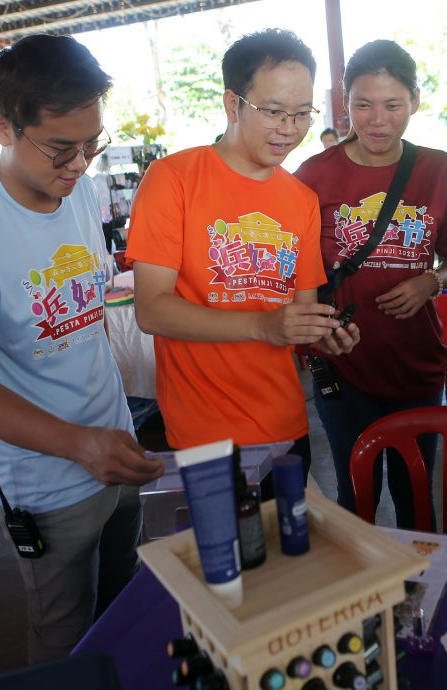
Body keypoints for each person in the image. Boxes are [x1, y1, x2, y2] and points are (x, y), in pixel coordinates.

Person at [0, 34, 164, 662]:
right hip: (42, 477)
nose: (80, 164)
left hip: (113, 443)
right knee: (64, 634)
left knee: (121, 602)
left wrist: (111, 428)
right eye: (61, 147)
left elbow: (89, 307)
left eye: (92, 144)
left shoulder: (76, 188)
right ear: (3, 126)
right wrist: (81, 445)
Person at [126, 29, 359, 477]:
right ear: (233, 104)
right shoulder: (172, 179)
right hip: (203, 434)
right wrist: (261, 325)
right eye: (273, 111)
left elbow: (300, 311)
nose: (289, 129)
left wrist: (323, 332)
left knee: (287, 545)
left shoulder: (300, 199)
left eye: (301, 114)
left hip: (285, 423)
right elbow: (151, 310)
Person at [295, 40, 447, 528]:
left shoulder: (439, 169)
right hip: (343, 365)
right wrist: (315, 329)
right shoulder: (313, 175)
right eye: (362, 105)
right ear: (344, 103)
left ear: (414, 101)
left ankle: (420, 597)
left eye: (393, 105)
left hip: (416, 366)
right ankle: (365, 598)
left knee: (416, 497)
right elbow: (298, 275)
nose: (377, 120)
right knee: (357, 498)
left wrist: (430, 282)